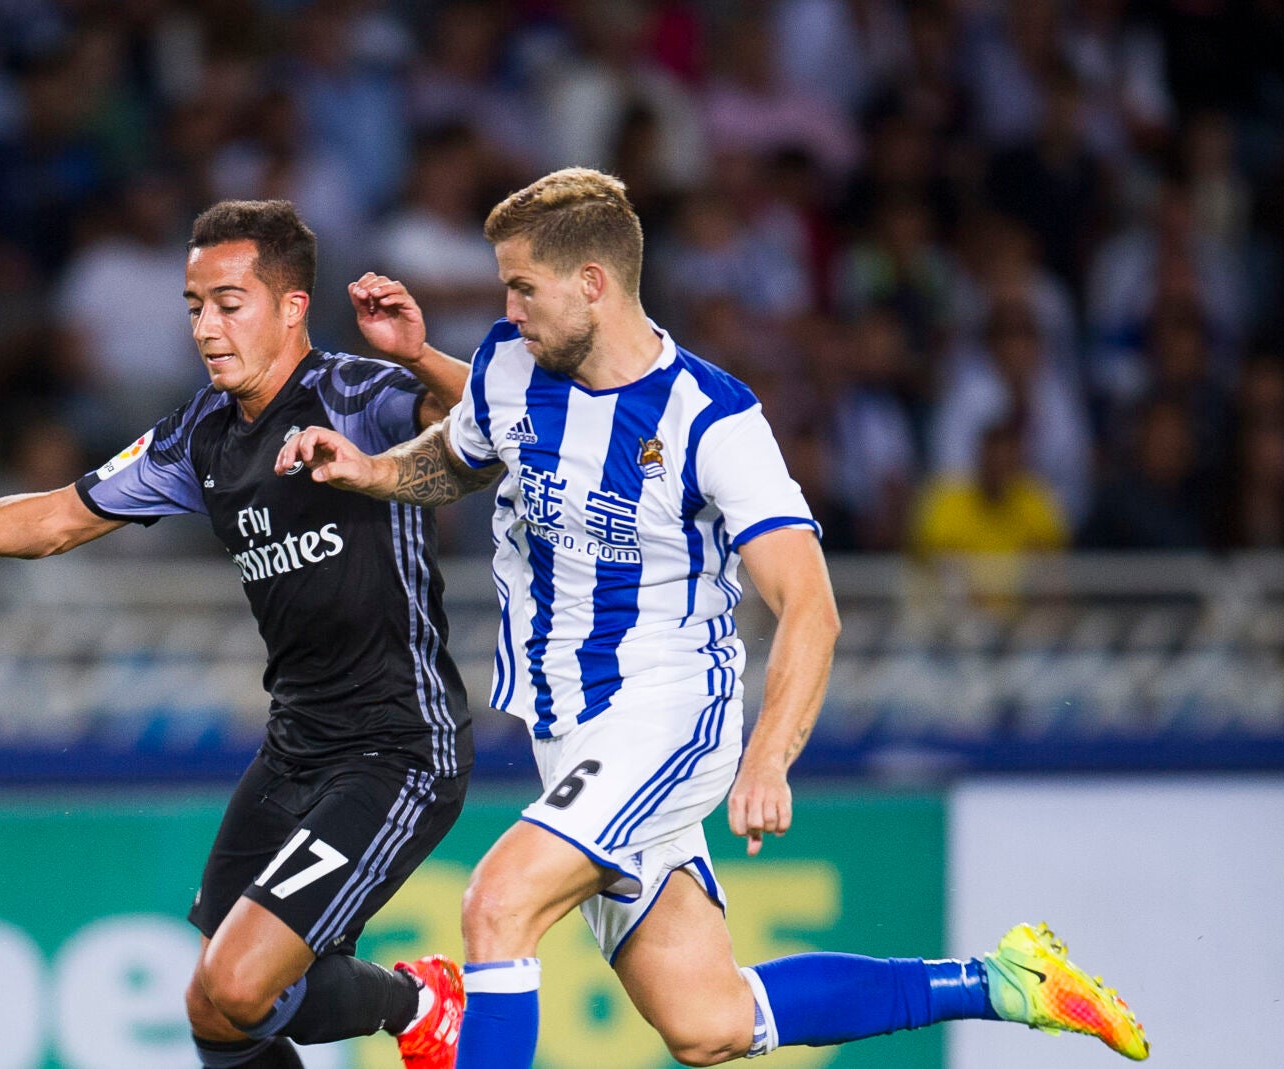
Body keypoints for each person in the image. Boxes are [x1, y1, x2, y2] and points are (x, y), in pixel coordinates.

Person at [278, 170, 1149, 1066]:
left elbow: (810, 605)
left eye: (522, 286)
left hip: (666, 711)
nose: (507, 305)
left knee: (497, 902)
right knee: (708, 1021)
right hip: (568, 730)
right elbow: (466, 454)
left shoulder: (715, 420)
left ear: (593, 284)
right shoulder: (509, 364)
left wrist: (767, 755)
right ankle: (1005, 980)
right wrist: (375, 470)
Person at [0, 201, 472, 1069]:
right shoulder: (199, 435)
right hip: (297, 748)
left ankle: (419, 998)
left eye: (229, 302)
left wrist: (422, 356)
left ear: (292, 308)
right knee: (214, 1007)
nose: (206, 327)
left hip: (398, 747)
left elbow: (497, 429)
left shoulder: (357, 396)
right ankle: (401, 1001)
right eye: (193, 306)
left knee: (243, 984)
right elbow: (60, 517)